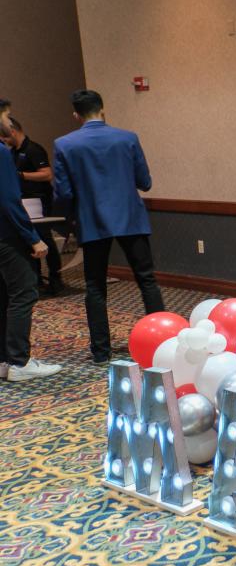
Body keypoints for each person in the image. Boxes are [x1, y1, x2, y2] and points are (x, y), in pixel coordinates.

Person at [53, 89, 166, 363]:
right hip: (130, 218)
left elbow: (64, 194)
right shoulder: (127, 138)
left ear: (76, 115)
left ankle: (101, 351)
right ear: (102, 109)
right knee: (147, 279)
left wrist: (68, 221)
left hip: (92, 221)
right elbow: (145, 182)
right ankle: (163, 341)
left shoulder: (65, 145)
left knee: (95, 286)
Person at [0, 112, 62, 381]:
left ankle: (4, 360)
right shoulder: (1, 152)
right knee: (24, 292)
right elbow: (9, 201)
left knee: (3, 296)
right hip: (7, 236)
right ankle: (18, 361)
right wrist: (32, 237)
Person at [0, 117, 63, 294]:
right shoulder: (10, 152)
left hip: (38, 200)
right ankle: (36, 277)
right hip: (20, 202)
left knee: (44, 238)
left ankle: (55, 278)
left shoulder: (34, 150)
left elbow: (47, 175)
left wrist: (21, 175)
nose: (3, 140)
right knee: (28, 242)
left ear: (12, 131)